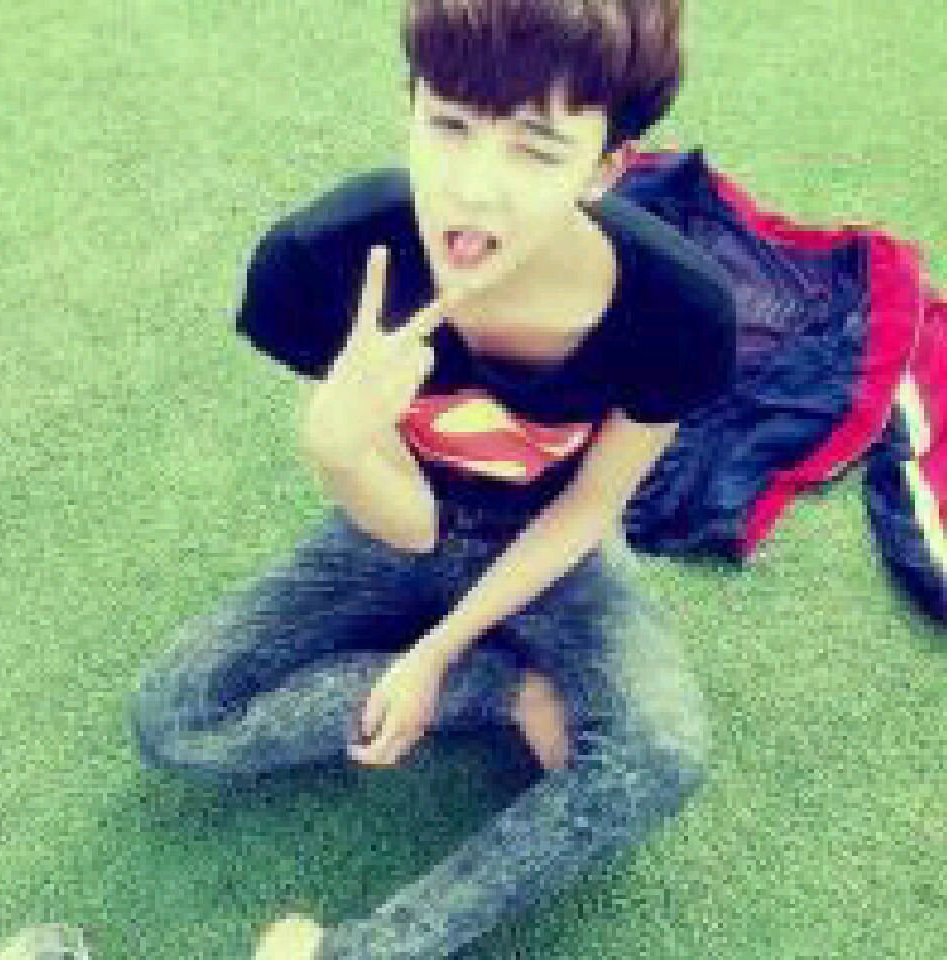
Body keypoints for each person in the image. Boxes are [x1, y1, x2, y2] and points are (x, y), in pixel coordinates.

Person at [126, 1, 738, 958]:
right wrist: (337, 444)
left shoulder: (680, 312)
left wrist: (433, 653)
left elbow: (589, 509)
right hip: (387, 532)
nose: (473, 188)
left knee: (660, 753)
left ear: (603, 167)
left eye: (536, 148)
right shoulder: (323, 258)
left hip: (553, 548)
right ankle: (510, 692)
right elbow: (409, 527)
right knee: (174, 717)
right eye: (449, 124)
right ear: (410, 104)